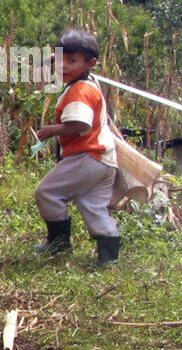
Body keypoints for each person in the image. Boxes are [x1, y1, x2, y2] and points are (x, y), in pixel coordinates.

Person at [33, 28, 121, 266]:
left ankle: (59, 243)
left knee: (47, 192)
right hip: (105, 160)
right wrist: (58, 59)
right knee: (94, 206)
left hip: (87, 156)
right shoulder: (89, 81)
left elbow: (79, 124)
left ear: (91, 63)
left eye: (71, 61)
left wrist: (52, 130)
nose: (63, 66)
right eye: (60, 59)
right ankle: (108, 258)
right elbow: (65, 63)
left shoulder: (79, 91)